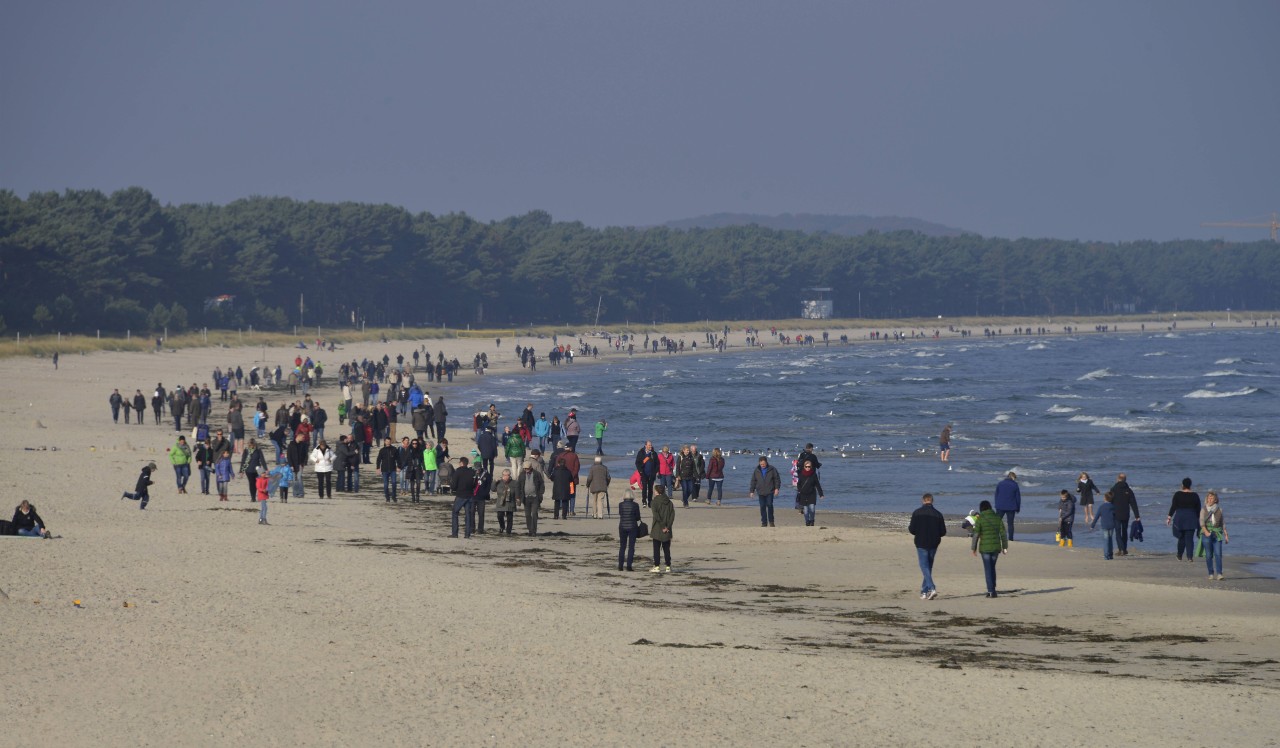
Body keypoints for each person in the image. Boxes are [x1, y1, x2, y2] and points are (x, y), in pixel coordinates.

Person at [908, 493, 946, 600]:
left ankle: (931, 588)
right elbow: (943, 531)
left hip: (921, 542)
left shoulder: (917, 512)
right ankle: (924, 591)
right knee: (928, 566)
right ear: (932, 501)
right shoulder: (938, 514)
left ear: (923, 500)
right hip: (933, 543)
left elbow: (912, 529)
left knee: (924, 566)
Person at [971, 499, 1008, 598]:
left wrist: (973, 548)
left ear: (981, 509)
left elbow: (976, 535)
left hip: (985, 548)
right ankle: (993, 589)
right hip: (996, 548)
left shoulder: (980, 519)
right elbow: (1003, 534)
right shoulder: (997, 518)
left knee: (988, 569)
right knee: (992, 568)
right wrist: (1005, 547)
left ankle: (991, 591)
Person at [1167, 477, 1201, 562]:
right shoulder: (1195, 495)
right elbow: (1198, 510)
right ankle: (1190, 557)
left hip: (1180, 518)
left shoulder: (1178, 494)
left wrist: (1169, 517)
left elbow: (1173, 506)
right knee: (1189, 538)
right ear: (1190, 485)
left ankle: (1179, 555)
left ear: (1183, 485)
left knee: (1181, 537)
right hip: (1191, 518)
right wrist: (1200, 520)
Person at [1109, 473, 1140, 556]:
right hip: (1125, 513)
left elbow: (1110, 502)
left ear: (1117, 479)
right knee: (1124, 531)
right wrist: (1137, 515)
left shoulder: (1113, 489)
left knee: (1118, 532)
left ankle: (1121, 549)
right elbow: (1133, 503)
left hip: (1116, 513)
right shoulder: (1128, 490)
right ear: (1125, 480)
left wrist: (1108, 513)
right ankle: (1124, 549)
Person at [1200, 492, 1228, 580]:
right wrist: (1206, 531)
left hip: (1217, 534)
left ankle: (1219, 574)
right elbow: (1201, 522)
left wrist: (1226, 535)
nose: (1210, 500)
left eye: (1212, 498)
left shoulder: (1220, 509)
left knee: (1218, 554)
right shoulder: (1203, 509)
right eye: (1208, 498)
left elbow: (1222, 523)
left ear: (1215, 499)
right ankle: (1211, 573)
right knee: (1208, 555)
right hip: (1206, 534)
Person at [748, 455, 781, 527]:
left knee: (769, 505)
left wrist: (777, 489)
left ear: (766, 462)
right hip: (760, 491)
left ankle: (771, 521)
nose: (762, 465)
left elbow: (777, 479)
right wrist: (752, 491)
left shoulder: (772, 469)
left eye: (763, 464)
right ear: (759, 463)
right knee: (762, 506)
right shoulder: (757, 470)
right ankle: (764, 522)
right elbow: (753, 481)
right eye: (761, 464)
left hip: (770, 491)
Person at [649, 484, 675, 573]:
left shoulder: (654, 502)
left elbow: (656, 516)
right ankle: (668, 566)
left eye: (655, 490)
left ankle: (657, 566)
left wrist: (664, 527)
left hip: (658, 528)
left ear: (657, 492)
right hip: (666, 528)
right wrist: (668, 527)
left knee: (656, 549)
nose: (654, 491)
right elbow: (672, 516)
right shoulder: (669, 502)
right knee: (666, 548)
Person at [516, 460, 545, 536]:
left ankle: (534, 531)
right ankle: (530, 530)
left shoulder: (536, 474)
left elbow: (542, 483)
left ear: (531, 467)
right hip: (525, 498)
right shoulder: (521, 475)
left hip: (535, 497)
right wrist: (518, 497)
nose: (526, 470)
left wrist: (541, 493)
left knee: (534, 514)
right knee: (527, 515)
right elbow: (518, 486)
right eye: (525, 468)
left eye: (527, 468)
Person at [450, 456, 477, 538]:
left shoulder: (458, 471)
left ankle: (455, 533)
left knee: (455, 513)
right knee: (468, 515)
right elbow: (475, 484)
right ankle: (467, 534)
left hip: (460, 495)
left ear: (461, 463)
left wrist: (453, 488)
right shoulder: (472, 472)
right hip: (469, 495)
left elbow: (454, 485)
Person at [795, 459, 825, 526]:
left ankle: (812, 520)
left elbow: (817, 484)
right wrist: (800, 490)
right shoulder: (801, 474)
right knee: (805, 511)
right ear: (804, 467)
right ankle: (807, 522)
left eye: (809, 467)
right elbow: (798, 484)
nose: (807, 468)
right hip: (803, 494)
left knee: (812, 509)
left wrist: (821, 494)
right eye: (806, 466)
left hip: (812, 494)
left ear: (811, 467)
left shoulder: (814, 475)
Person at [617, 488, 641, 571]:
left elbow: (621, 514)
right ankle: (629, 565)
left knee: (622, 546)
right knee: (631, 547)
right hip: (632, 527)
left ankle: (620, 565)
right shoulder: (635, 505)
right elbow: (638, 517)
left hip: (622, 526)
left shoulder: (621, 504)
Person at [993, 471, 1021, 540]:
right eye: (1015, 478)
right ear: (1012, 477)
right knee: (1010, 524)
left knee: (997, 522)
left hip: (1000, 506)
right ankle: (1011, 538)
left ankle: (995, 537)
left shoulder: (1000, 483)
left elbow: (996, 495)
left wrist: (996, 504)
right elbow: (1018, 498)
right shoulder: (1015, 485)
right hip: (1011, 507)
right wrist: (1018, 508)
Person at [1090, 491, 1117, 560]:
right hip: (1112, 525)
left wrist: (1092, 525)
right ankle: (1110, 555)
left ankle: (1106, 555)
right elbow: (1116, 516)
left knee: (1106, 540)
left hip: (1104, 525)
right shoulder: (1113, 506)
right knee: (1110, 539)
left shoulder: (1102, 507)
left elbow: (1096, 517)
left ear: (1105, 498)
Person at [634, 441, 659, 507]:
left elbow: (657, 464)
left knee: (650, 488)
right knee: (644, 488)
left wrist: (655, 471)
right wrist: (640, 471)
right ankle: (644, 501)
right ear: (645, 445)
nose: (650, 446)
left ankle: (650, 502)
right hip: (644, 473)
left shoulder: (654, 453)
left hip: (652, 474)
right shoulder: (641, 452)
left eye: (651, 445)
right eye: (649, 445)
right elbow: (637, 463)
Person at [493, 469, 516, 534]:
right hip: (500, 502)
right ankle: (502, 526)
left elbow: (517, 491)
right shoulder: (499, 482)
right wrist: (494, 482)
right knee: (499, 515)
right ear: (502, 475)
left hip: (510, 502)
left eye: (507, 475)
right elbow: (493, 489)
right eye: (504, 475)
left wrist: (517, 498)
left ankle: (509, 531)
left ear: (510, 475)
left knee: (510, 517)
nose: (506, 477)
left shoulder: (514, 482)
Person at [376, 437, 400, 502]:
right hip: (384, 470)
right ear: (384, 442)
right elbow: (378, 460)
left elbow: (398, 459)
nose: (388, 442)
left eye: (389, 441)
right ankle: (387, 497)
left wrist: (398, 466)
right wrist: (378, 468)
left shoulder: (394, 449)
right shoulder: (382, 450)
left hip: (393, 469)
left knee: (394, 483)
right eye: (387, 441)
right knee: (386, 485)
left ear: (390, 442)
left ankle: (394, 496)